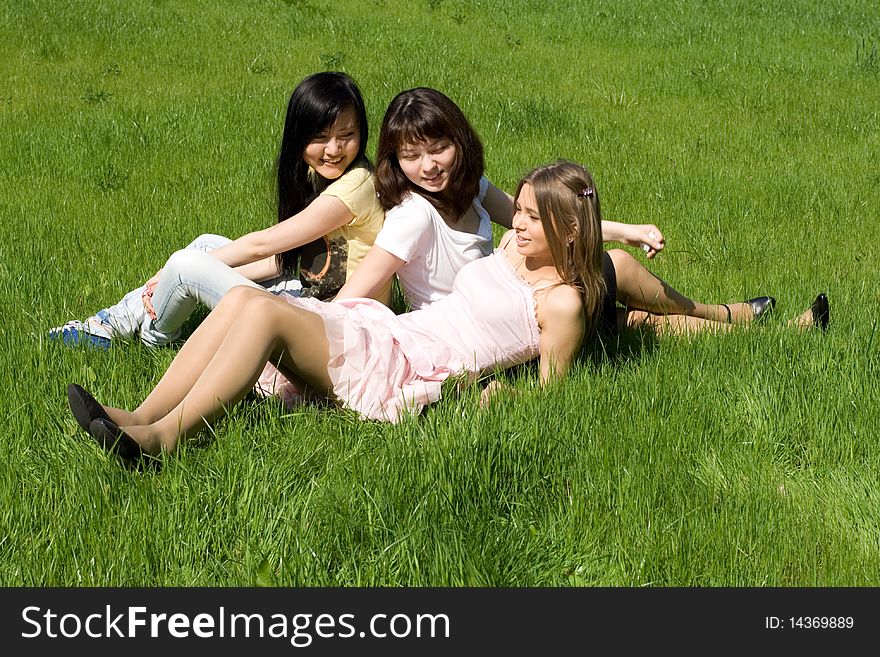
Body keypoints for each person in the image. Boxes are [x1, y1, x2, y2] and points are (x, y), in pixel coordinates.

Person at [67, 160, 608, 466]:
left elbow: (552, 393)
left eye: (533, 218)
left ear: (570, 229)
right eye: (520, 211)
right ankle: (139, 418)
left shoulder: (561, 302)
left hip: (412, 367)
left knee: (264, 314)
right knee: (239, 298)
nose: (517, 223)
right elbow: (586, 229)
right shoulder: (520, 246)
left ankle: (165, 441)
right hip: (395, 331)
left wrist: (502, 397)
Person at [49, 71, 389, 349]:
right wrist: (183, 270)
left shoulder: (355, 186)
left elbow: (264, 245)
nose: (334, 149)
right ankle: (112, 324)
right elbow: (283, 259)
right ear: (298, 136)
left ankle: (154, 337)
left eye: (347, 135)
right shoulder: (320, 177)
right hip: (305, 302)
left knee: (185, 265)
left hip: (328, 328)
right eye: (321, 137)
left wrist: (175, 271)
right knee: (204, 244)